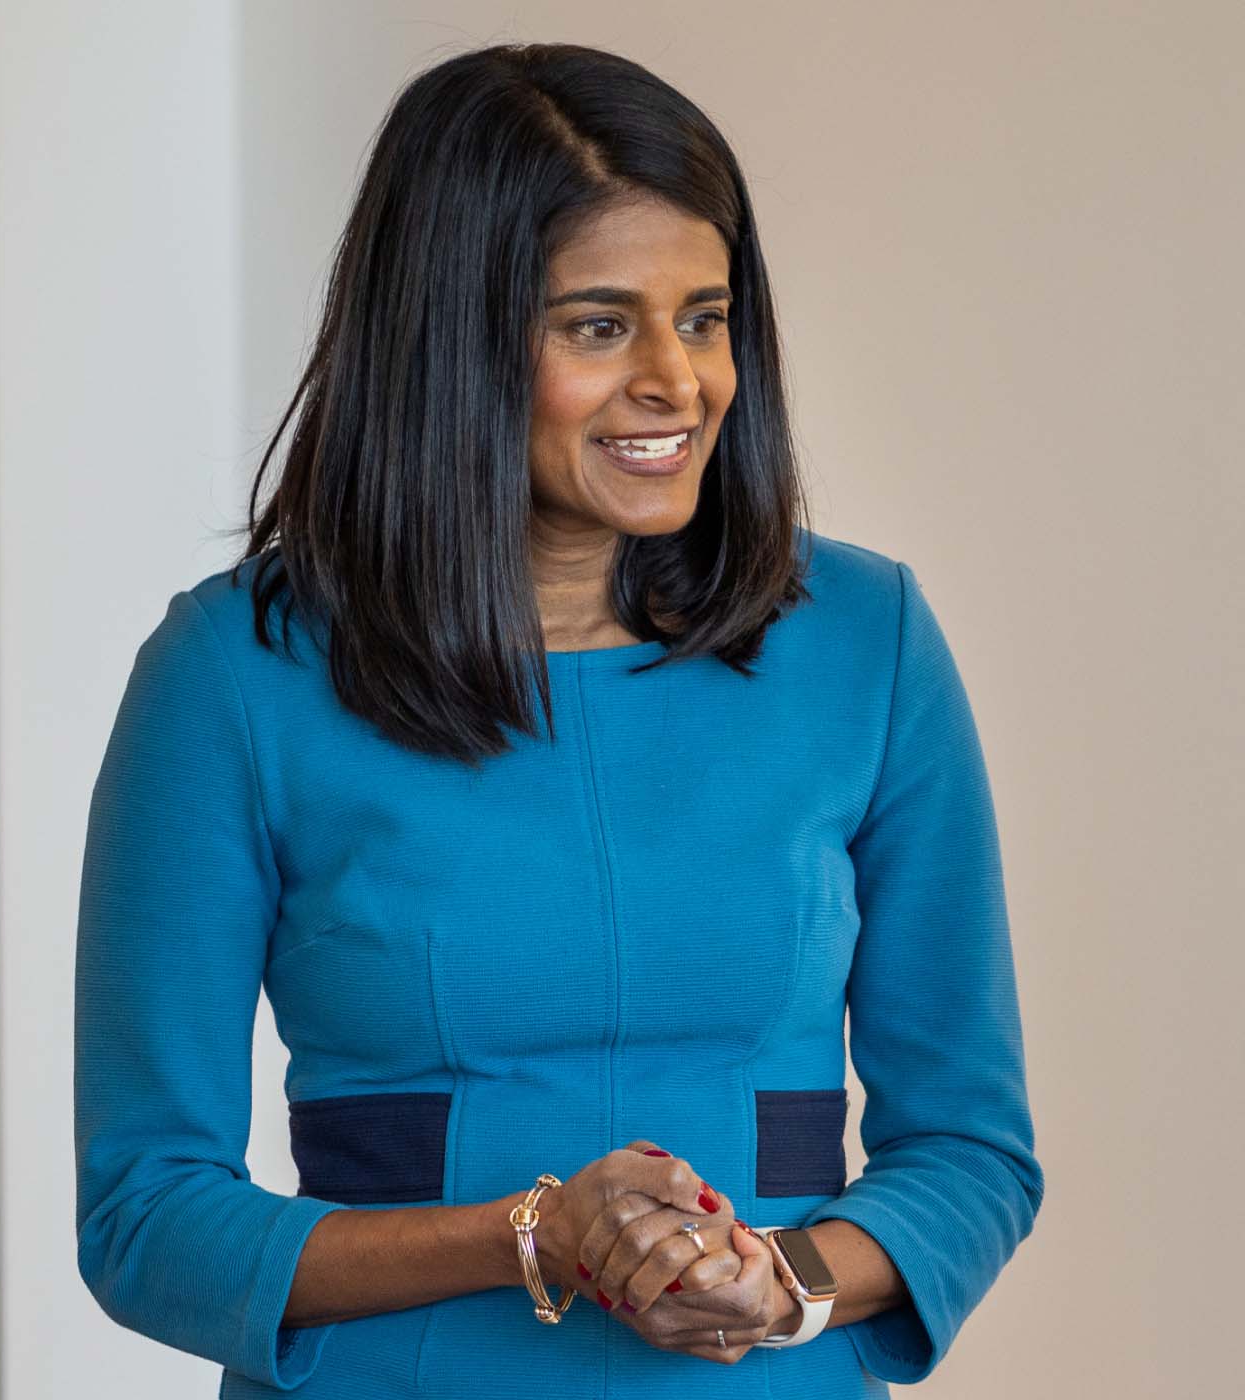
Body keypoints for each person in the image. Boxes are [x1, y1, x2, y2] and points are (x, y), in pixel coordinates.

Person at [72, 41, 1044, 1400]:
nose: (679, 382)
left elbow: (972, 1151)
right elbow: (146, 1215)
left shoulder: (864, 645)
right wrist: (530, 1235)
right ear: (451, 342)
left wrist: (788, 1286)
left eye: (704, 318)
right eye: (600, 325)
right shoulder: (237, 673)